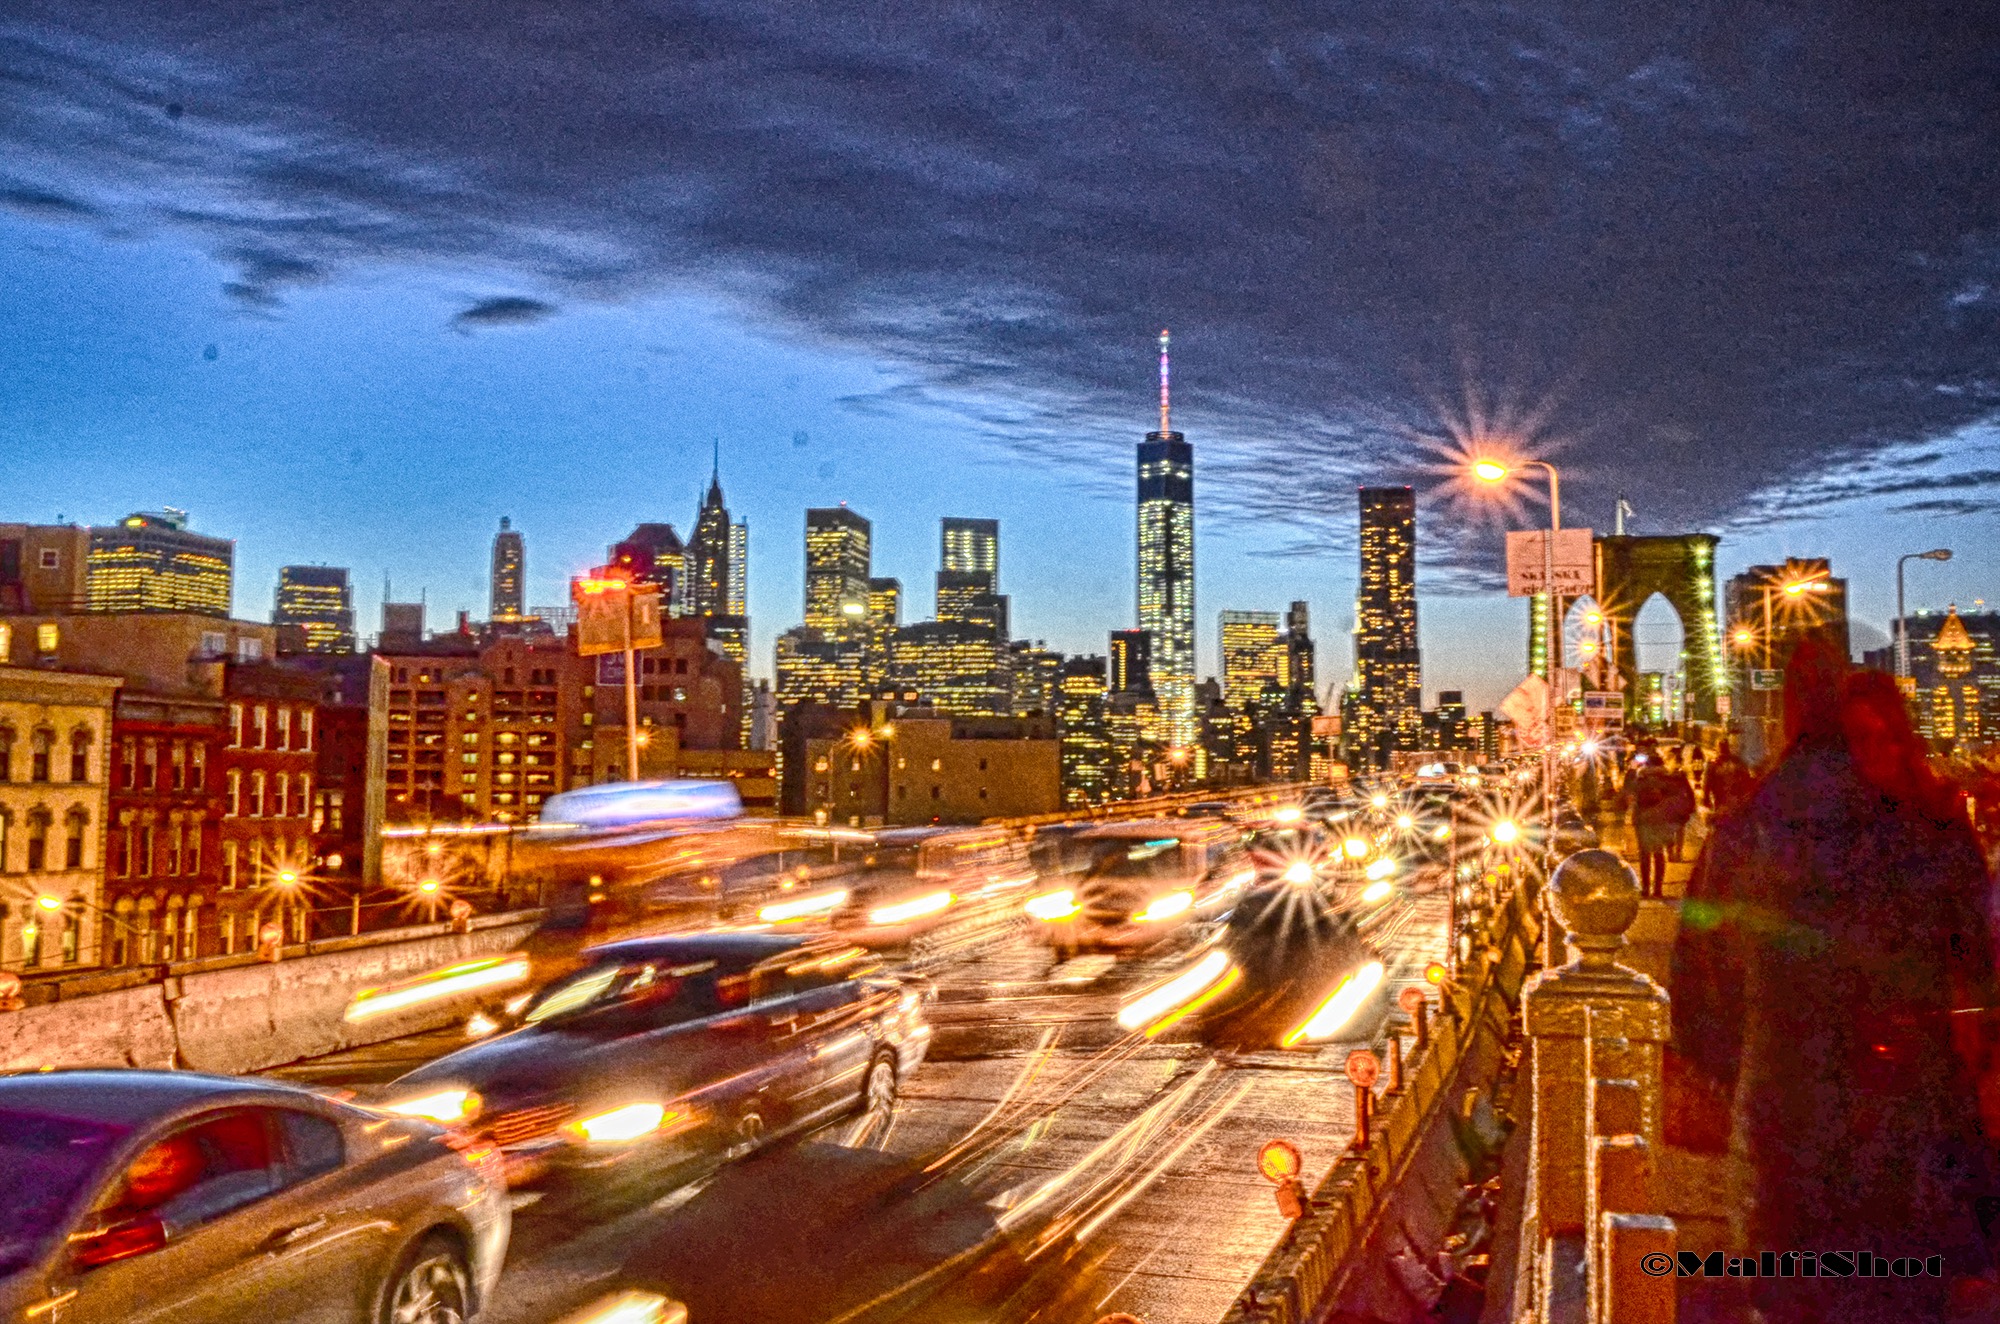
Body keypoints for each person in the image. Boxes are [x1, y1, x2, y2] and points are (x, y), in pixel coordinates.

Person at [1672, 639, 2000, 1323]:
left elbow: (1700, 987)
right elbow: (1977, 959)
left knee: (1800, 1289)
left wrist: (1733, 1072)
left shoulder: (1749, 832)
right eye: (1862, 737)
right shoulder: (1933, 831)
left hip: (1793, 1118)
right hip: (1906, 1115)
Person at [1623, 747, 1681, 898]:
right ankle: (1658, 889)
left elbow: (1628, 793)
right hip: (1661, 820)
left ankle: (1645, 888)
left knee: (1645, 855)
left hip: (1643, 820)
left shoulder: (1640, 777)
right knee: (1659, 853)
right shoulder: (1667, 779)